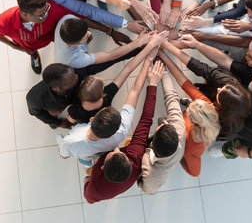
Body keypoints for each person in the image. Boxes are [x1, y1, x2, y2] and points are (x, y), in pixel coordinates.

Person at [57, 37, 166, 169]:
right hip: (98, 150)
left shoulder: (71, 137)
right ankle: (87, 160)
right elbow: (130, 76)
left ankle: (85, 160)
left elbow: (65, 148)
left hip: (81, 149)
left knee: (84, 154)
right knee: (92, 154)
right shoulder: (120, 133)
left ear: (92, 119)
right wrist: (148, 56)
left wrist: (148, 54)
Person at [84, 60, 164, 203]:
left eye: (113, 153)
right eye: (119, 153)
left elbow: (88, 194)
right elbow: (146, 119)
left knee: (86, 176)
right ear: (128, 161)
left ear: (102, 167)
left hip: (94, 178)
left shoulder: (94, 189)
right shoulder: (135, 156)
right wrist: (152, 84)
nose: (116, 149)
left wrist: (87, 180)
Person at [65, 31, 168, 123]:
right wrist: (150, 46)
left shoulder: (75, 110)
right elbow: (127, 69)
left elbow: (70, 119)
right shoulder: (107, 97)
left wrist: (145, 46)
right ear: (101, 94)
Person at [26, 50, 138, 129]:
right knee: (54, 112)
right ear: (60, 88)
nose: (76, 76)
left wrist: (136, 50)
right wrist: (56, 122)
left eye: (74, 73)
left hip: (77, 99)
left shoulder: (75, 72)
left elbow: (107, 61)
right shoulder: (35, 97)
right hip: (58, 106)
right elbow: (37, 113)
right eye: (73, 79)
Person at [157, 50, 221, 177]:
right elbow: (184, 82)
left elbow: (195, 173)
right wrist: (164, 57)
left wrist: (179, 156)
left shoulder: (194, 148)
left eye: (188, 110)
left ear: (193, 121)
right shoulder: (208, 105)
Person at [0, 0, 77, 74]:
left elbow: (72, 15)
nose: (46, 15)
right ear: (25, 14)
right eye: (41, 15)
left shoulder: (48, 7)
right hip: (29, 46)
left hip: (50, 36)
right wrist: (13, 46)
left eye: (47, 10)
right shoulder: (5, 22)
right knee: (31, 51)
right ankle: (34, 56)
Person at [54, 14, 151, 69]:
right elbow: (110, 55)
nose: (89, 33)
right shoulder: (75, 60)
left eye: (86, 30)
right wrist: (138, 42)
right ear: (74, 45)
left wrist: (110, 32)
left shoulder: (67, 19)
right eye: (85, 36)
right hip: (73, 66)